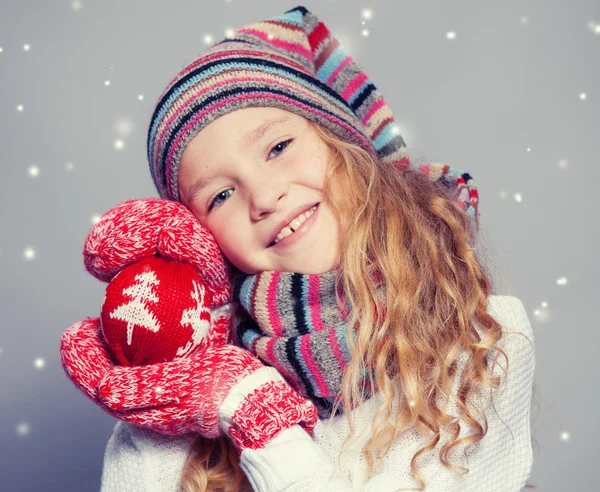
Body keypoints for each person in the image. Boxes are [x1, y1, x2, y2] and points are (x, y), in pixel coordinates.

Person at [62, 5, 537, 491]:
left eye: (277, 148)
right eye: (220, 196)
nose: (265, 197)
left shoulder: (486, 341)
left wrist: (254, 411)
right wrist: (182, 379)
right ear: (200, 238)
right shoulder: (193, 384)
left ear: (341, 141)